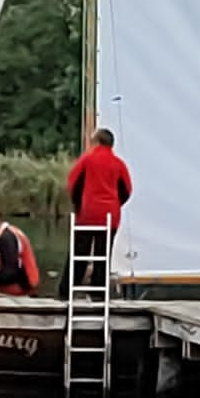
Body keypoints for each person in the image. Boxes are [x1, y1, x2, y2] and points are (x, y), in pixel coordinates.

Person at [61, 127, 131, 300]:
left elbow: (73, 184)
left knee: (79, 252)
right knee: (103, 255)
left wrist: (78, 207)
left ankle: (67, 290)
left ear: (96, 141)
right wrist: (116, 204)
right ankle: (98, 292)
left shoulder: (87, 160)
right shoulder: (119, 163)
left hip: (88, 213)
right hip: (110, 216)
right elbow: (127, 190)